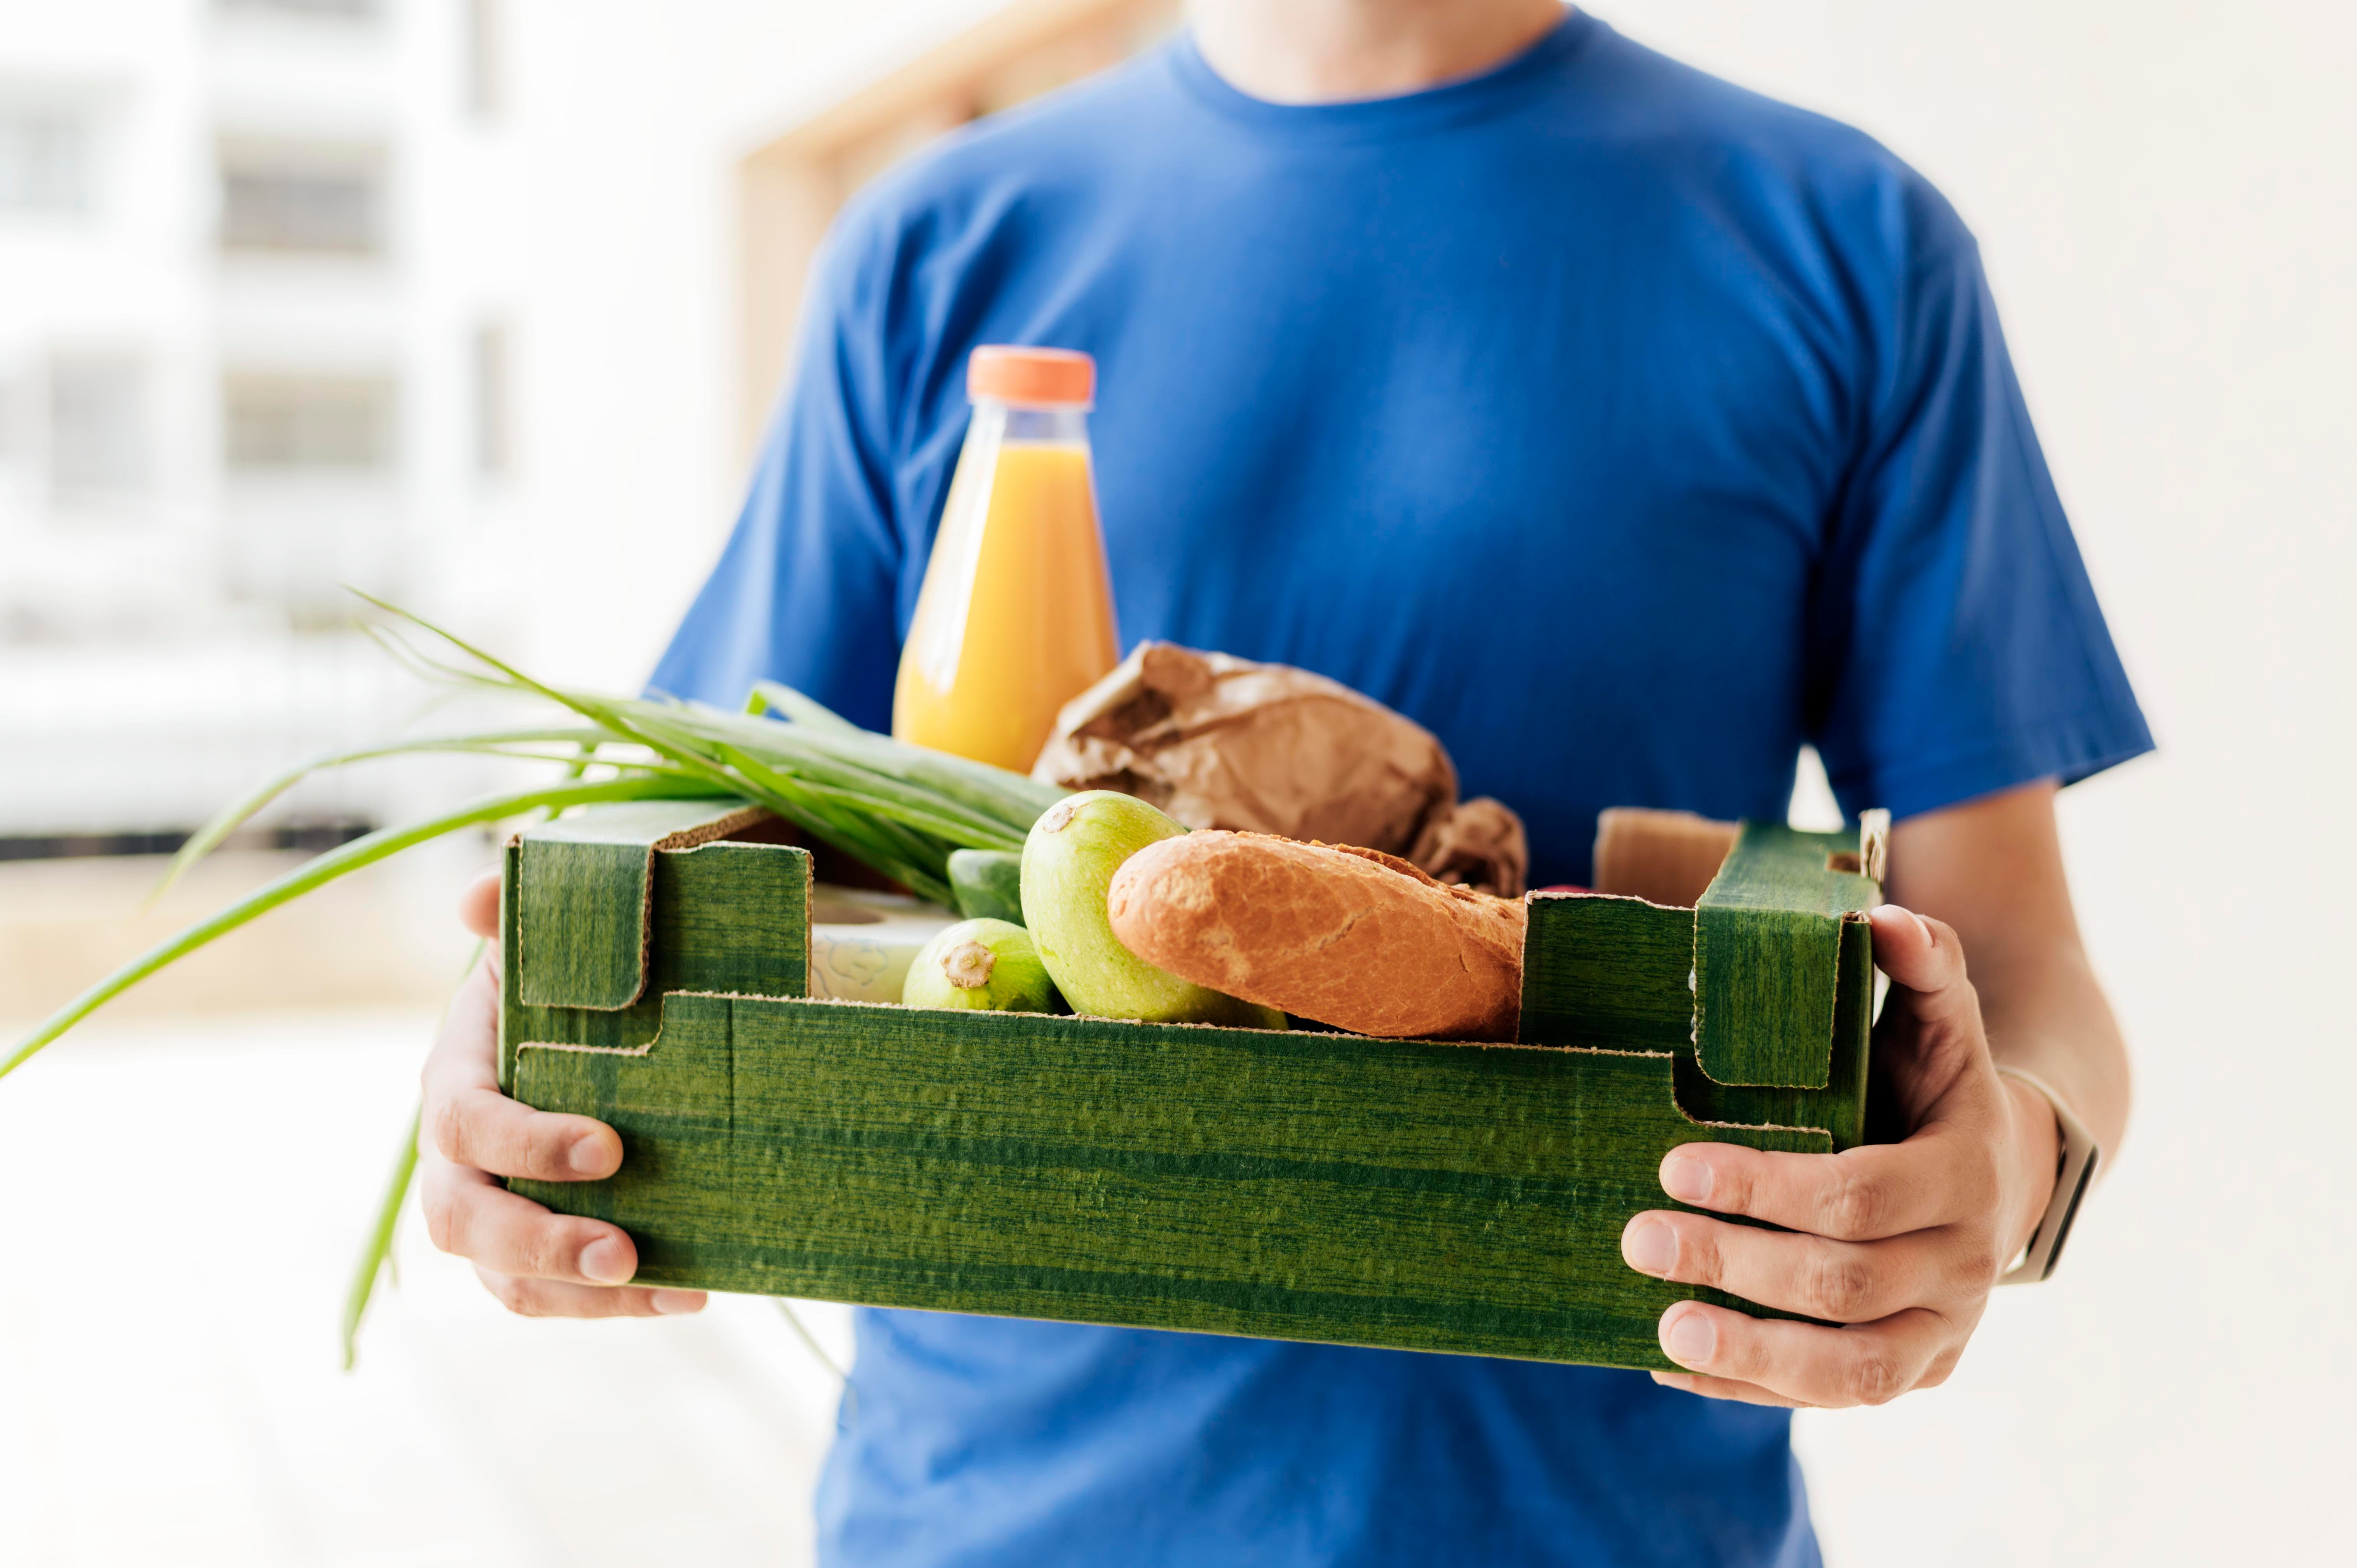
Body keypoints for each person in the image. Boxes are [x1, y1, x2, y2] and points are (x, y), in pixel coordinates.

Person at [416, 2, 2148, 1562]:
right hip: (991, 1522)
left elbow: (2019, 971)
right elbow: (711, 834)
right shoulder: (939, 246)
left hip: (1613, 1524)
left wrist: (2009, 1169)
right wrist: (519, 1058)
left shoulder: (1844, 244)